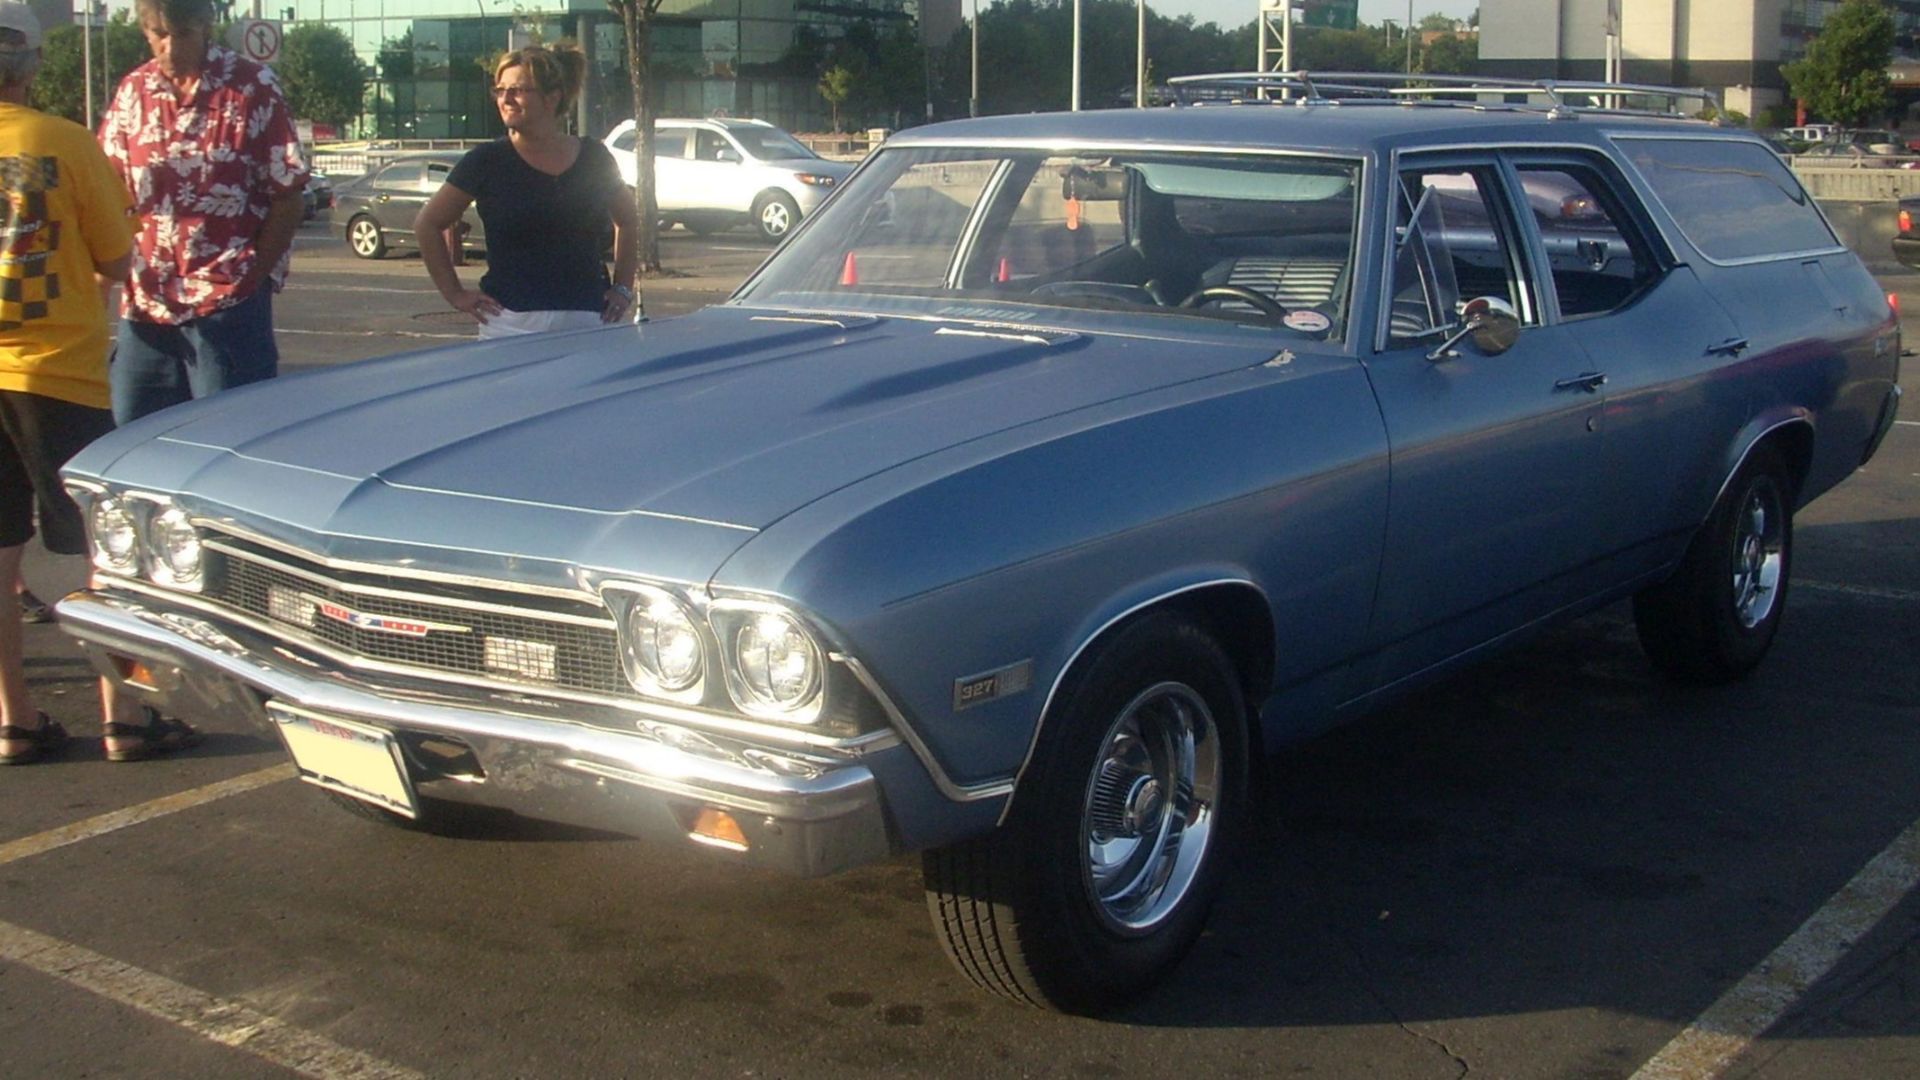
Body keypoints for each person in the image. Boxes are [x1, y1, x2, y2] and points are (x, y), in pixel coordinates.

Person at [0, 2, 191, 764]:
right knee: (103, 552)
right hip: (58, 371)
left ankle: (14, 718)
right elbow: (116, 258)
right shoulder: (63, 142)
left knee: (1, 558)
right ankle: (126, 715)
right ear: (32, 66)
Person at [98, 0, 308, 424]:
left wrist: (253, 276)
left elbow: (288, 195)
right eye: (159, 35)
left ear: (205, 27)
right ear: (145, 31)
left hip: (227, 305)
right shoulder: (133, 91)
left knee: (226, 438)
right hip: (147, 306)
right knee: (133, 437)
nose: (171, 48)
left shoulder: (252, 86)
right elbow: (108, 191)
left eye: (184, 35)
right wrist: (103, 279)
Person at [416, 43, 638, 338]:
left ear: (552, 98)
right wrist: (455, 294)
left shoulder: (593, 157)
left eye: (518, 90)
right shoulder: (486, 161)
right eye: (500, 90)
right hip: (509, 324)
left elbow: (628, 219)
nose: (505, 99)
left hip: (588, 320)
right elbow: (428, 224)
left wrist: (623, 287)